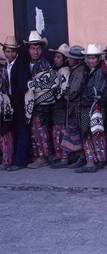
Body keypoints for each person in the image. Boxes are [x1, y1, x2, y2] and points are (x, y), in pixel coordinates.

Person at [76, 44, 107, 173]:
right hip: (93, 107)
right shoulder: (92, 71)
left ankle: (91, 161)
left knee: (88, 134)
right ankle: (98, 159)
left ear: (99, 58)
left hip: (92, 107)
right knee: (95, 133)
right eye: (89, 58)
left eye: (93, 58)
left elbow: (98, 90)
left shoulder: (100, 72)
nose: (91, 61)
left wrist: (86, 99)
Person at [24, 31, 53, 169]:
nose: (36, 52)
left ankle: (43, 157)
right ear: (29, 49)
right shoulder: (27, 64)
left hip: (41, 104)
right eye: (33, 48)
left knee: (41, 129)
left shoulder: (45, 65)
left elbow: (48, 85)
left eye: (38, 48)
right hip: (30, 104)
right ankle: (37, 154)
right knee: (34, 130)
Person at [58, 45, 89, 169]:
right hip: (74, 105)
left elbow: (75, 90)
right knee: (73, 131)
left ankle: (82, 157)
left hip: (77, 106)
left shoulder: (80, 71)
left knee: (78, 132)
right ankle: (75, 156)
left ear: (78, 59)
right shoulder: (76, 69)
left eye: (71, 58)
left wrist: (65, 94)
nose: (68, 60)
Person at [48, 44, 71, 167]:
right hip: (57, 107)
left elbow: (62, 91)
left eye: (58, 57)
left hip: (61, 106)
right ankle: (60, 156)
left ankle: (64, 158)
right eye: (55, 57)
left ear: (65, 59)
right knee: (57, 131)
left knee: (61, 132)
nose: (55, 59)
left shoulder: (64, 72)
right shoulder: (58, 71)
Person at [0, 36, 19, 170]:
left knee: (6, 132)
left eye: (12, 51)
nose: (10, 54)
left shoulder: (3, 68)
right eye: (7, 51)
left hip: (5, 103)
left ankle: (7, 160)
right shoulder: (5, 65)